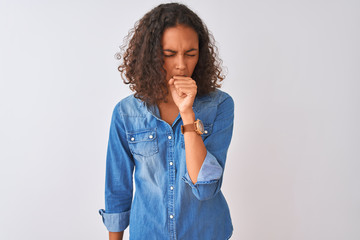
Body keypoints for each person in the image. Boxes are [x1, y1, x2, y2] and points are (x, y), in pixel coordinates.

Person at [98, 3, 234, 240]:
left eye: (190, 53)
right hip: (148, 233)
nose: (181, 64)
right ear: (150, 56)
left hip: (206, 232)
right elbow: (117, 189)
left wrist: (188, 113)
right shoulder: (126, 113)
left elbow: (205, 188)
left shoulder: (219, 106)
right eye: (169, 54)